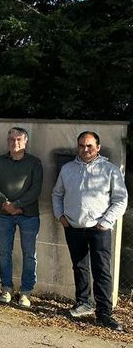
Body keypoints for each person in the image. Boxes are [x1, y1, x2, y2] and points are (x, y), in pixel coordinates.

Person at [53, 131, 128, 331]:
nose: (85, 149)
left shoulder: (110, 170)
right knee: (79, 267)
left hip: (99, 229)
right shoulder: (67, 169)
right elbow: (57, 193)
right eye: (81, 146)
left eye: (89, 146)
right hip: (74, 227)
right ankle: (83, 303)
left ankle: (104, 313)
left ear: (98, 147)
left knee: (102, 271)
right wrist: (61, 216)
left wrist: (106, 221)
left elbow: (121, 199)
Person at [0, 127, 43, 307]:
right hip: (4, 214)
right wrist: (7, 204)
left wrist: (17, 205)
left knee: (29, 254)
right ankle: (6, 288)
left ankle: (26, 292)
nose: (15, 142)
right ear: (8, 141)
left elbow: (36, 189)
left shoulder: (35, 162)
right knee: (4, 252)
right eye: (12, 139)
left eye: (19, 139)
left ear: (25, 141)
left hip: (28, 215)